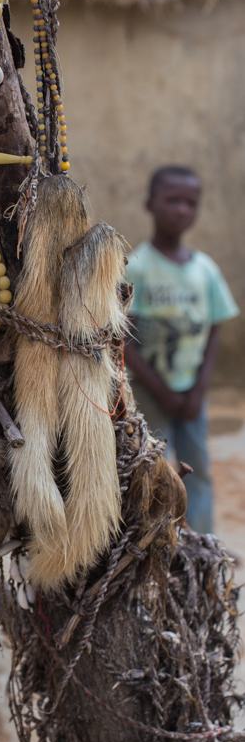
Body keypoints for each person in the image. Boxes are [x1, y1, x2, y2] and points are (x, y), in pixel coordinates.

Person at [124, 165, 240, 534]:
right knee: (150, 468)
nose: (181, 210)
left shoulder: (205, 270)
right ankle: (152, 542)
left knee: (197, 465)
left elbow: (214, 329)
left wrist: (199, 390)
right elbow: (123, 338)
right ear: (150, 204)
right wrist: (160, 390)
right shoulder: (137, 267)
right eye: (172, 200)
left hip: (192, 394)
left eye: (190, 203)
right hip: (149, 391)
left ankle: (202, 540)